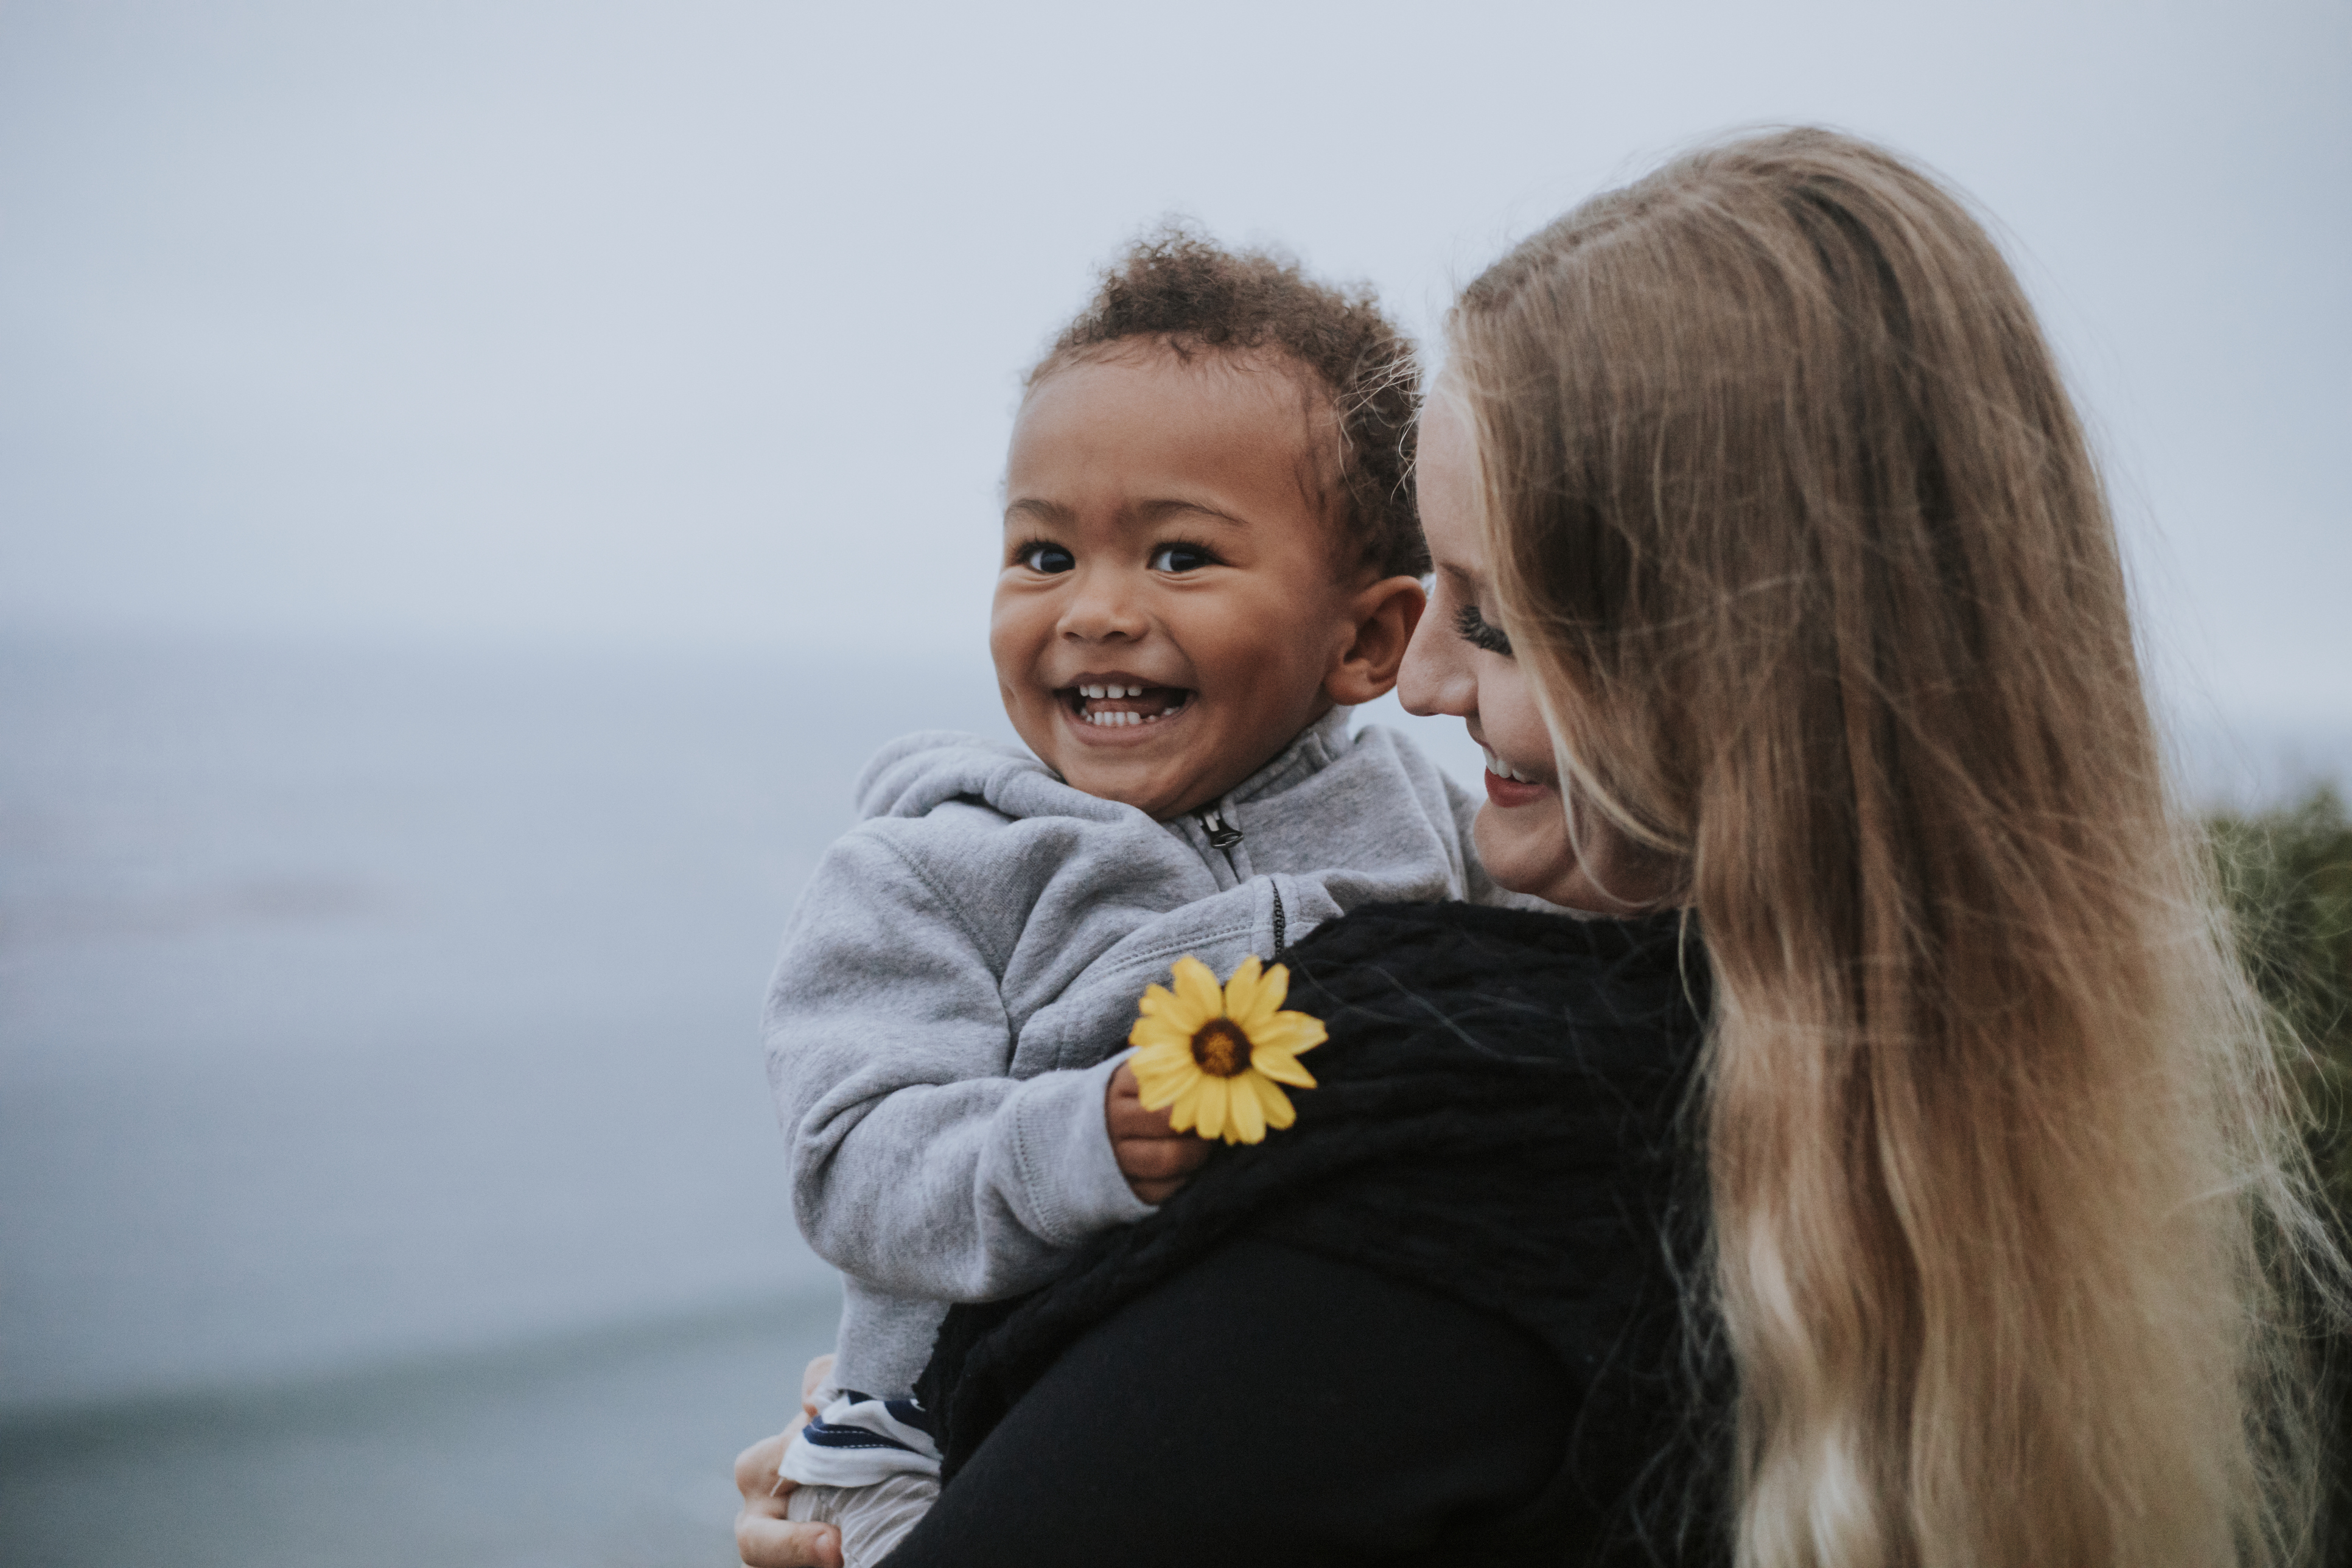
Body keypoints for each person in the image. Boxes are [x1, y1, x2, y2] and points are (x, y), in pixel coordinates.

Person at [738, 127, 2338, 1567]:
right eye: (1041, 550)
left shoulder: (1469, 1148)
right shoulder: (1928, 1155)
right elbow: (863, 1150)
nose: (1423, 685)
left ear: (1738, 678)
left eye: (1492, 625)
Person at [757, 229, 1533, 1566]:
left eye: (1180, 557)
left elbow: (1552, 999)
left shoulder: (1424, 823)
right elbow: (855, 1162)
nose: (1097, 611)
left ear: (1365, 640)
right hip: (927, 1445)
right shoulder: (932, 869)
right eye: (1044, 556)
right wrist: (1080, 1141)